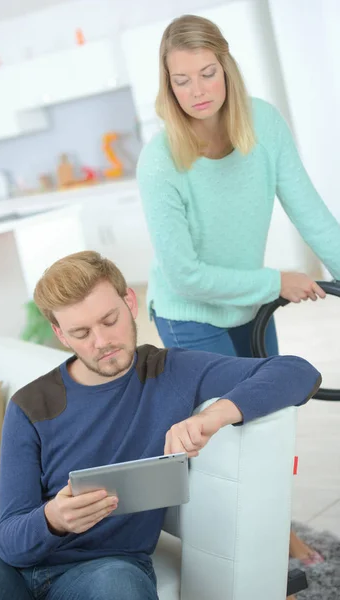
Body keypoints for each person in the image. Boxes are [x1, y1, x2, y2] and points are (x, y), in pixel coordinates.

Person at [0, 251, 322, 600]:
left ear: (130, 303)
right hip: (10, 566)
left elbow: (297, 371)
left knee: (120, 586)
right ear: (61, 335)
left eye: (110, 320)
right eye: (81, 333)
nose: (103, 341)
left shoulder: (171, 371)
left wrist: (214, 414)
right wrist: (53, 519)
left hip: (106, 566)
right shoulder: (30, 405)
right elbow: (9, 541)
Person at [136, 14, 340, 566]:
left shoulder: (264, 126)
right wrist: (278, 280)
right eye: (182, 80)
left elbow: (313, 214)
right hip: (190, 315)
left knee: (273, 421)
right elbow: (185, 275)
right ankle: (245, 551)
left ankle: (281, 528)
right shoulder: (160, 162)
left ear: (226, 67)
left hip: (249, 310)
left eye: (207, 73)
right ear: (167, 84)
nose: (198, 91)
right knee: (227, 434)